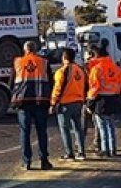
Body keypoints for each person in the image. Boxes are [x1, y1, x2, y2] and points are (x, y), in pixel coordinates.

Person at [11, 40, 52, 170]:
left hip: (23, 102)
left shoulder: (17, 62)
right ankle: (44, 161)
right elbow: (50, 80)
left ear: (25, 50)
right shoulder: (44, 62)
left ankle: (27, 162)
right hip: (41, 101)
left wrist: (13, 98)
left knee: (24, 132)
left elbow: (11, 82)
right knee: (42, 132)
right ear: (35, 50)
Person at [50, 47, 88, 161]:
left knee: (65, 129)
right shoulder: (80, 70)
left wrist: (53, 103)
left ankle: (69, 153)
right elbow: (86, 85)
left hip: (65, 104)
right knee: (78, 128)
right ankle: (81, 152)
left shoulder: (62, 71)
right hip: (78, 102)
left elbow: (57, 89)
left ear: (64, 57)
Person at [86, 44, 121, 157]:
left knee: (102, 127)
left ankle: (105, 149)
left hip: (100, 100)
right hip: (113, 98)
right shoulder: (115, 67)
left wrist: (89, 103)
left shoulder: (96, 69)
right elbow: (120, 82)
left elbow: (94, 88)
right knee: (111, 126)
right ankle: (113, 149)